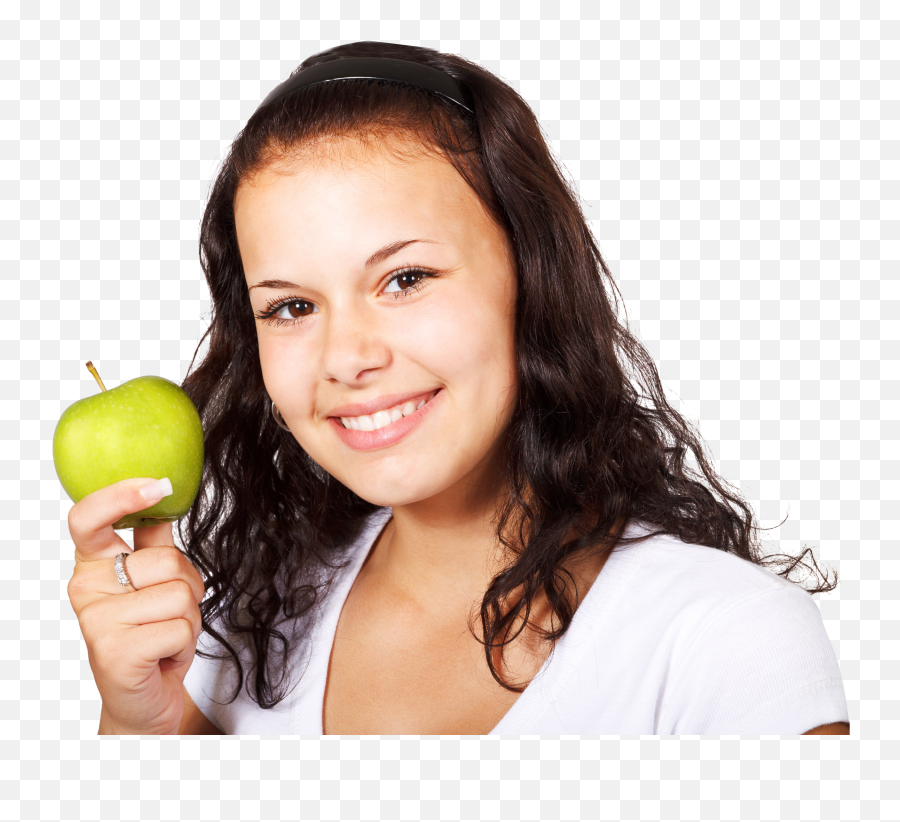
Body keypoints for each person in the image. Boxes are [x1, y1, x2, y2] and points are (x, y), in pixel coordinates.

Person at [65, 41, 850, 735]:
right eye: (293, 307)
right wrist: (139, 735)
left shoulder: (727, 646)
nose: (347, 357)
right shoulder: (236, 636)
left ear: (532, 278)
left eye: (405, 278)